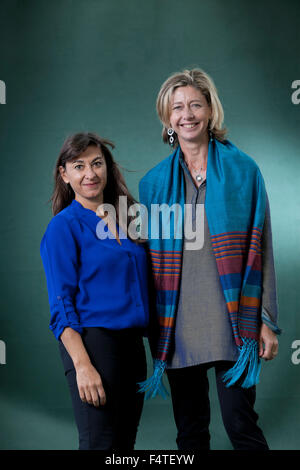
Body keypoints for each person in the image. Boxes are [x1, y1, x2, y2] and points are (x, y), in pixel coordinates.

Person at [138, 69, 281, 450]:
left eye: (195, 105)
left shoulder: (244, 171)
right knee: (190, 433)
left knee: (241, 426)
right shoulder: (152, 184)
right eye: (178, 107)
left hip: (234, 320)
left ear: (210, 111)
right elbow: (147, 260)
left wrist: (265, 319)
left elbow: (262, 247)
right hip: (177, 323)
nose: (187, 114)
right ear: (168, 118)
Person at [40, 132, 149, 450]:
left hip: (132, 347)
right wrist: (82, 366)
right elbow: (61, 304)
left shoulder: (129, 220)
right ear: (65, 174)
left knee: (124, 444)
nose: (90, 173)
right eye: (79, 165)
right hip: (93, 344)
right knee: (99, 442)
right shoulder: (64, 226)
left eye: (97, 163)